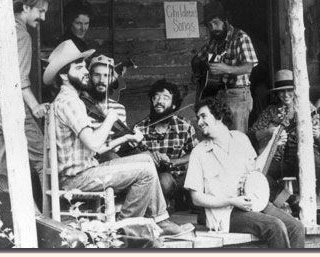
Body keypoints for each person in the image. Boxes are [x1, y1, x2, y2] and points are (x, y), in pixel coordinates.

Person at [42, 40, 194, 237]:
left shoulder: (70, 100)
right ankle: (125, 230)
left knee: (146, 159)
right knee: (146, 171)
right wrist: (110, 118)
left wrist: (123, 138)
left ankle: (160, 219)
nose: (85, 72)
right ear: (63, 75)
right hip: (78, 178)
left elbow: (95, 148)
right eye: (78, 68)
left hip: (86, 170)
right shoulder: (70, 102)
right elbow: (95, 143)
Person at [184, 97, 305, 248]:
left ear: (219, 116)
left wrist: (272, 143)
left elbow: (257, 171)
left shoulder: (240, 139)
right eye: (198, 118)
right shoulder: (199, 152)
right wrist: (230, 201)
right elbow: (196, 198)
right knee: (274, 226)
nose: (199, 122)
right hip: (227, 212)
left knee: (296, 226)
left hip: (253, 203)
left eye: (203, 116)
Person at [0, 0, 50, 186]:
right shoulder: (21, 35)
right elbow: (19, 79)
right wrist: (35, 106)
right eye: (40, 11)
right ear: (25, 7)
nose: (44, 17)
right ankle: (51, 211)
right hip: (7, 104)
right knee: (43, 158)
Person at [248, 69, 320, 210]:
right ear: (276, 93)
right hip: (277, 158)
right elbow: (251, 135)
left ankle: (310, 202)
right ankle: (290, 199)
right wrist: (269, 132)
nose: (286, 95)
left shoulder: (308, 108)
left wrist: (316, 133)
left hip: (300, 158)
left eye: (289, 90)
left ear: (296, 90)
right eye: (281, 91)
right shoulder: (271, 111)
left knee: (314, 160)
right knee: (256, 174)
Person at [191, 1, 258, 133]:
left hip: (238, 95)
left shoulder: (241, 38)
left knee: (237, 139)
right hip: (218, 95)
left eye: (216, 23)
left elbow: (248, 67)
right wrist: (198, 73)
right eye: (209, 25)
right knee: (220, 136)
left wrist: (225, 68)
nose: (213, 28)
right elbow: (197, 59)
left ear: (225, 20)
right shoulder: (214, 41)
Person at [135, 80, 197, 211]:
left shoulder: (184, 127)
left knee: (167, 180)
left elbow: (195, 153)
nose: (159, 101)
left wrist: (172, 162)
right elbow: (133, 156)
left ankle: (170, 206)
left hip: (177, 178)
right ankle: (162, 210)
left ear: (174, 105)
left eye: (166, 97)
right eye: (156, 97)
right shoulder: (139, 128)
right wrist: (149, 157)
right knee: (162, 180)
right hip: (150, 178)